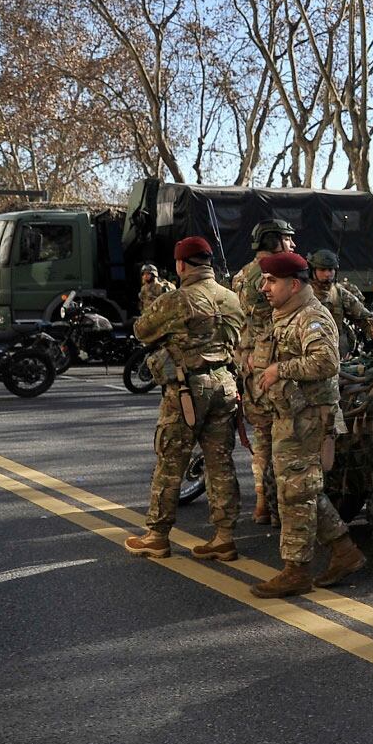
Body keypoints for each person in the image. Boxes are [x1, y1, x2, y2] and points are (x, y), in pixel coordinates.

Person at [249, 250, 365, 597]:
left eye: (271, 281)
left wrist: (279, 370)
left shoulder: (312, 316)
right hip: (291, 415)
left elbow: (325, 362)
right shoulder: (287, 314)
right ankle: (345, 552)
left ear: (293, 284)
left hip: (308, 418)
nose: (264, 287)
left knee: (295, 494)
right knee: (303, 489)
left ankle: (296, 571)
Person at [124, 237, 246, 560]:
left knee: (170, 460)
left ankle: (157, 535)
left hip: (187, 391)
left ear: (180, 265)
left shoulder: (176, 300)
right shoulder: (233, 299)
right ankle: (224, 537)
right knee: (220, 462)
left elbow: (142, 330)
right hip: (226, 385)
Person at [236, 219, 297, 524]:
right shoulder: (276, 275)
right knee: (284, 438)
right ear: (274, 242)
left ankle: (261, 502)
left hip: (249, 363)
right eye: (288, 239)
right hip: (274, 361)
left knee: (262, 437)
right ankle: (279, 508)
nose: (293, 245)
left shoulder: (242, 274)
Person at [307, 249, 373, 355]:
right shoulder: (302, 293)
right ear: (313, 271)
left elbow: (364, 316)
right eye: (322, 270)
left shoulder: (339, 293)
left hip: (335, 351)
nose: (327, 274)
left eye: (330, 270)